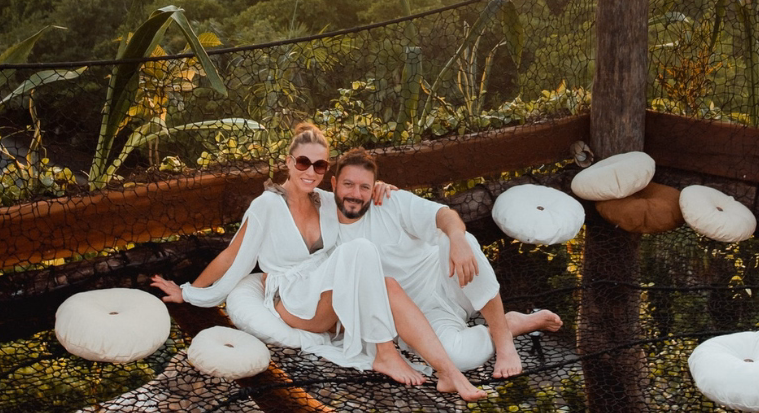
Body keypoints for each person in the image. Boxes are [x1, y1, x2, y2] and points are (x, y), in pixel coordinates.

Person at [151, 124, 485, 401]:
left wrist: (383, 189)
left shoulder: (326, 201)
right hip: (292, 300)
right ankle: (385, 354)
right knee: (362, 250)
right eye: (303, 163)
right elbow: (231, 254)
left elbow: (356, 195)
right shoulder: (266, 206)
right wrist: (189, 292)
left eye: (320, 165)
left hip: (324, 294)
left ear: (327, 171)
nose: (311, 172)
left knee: (388, 285)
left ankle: (449, 373)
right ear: (289, 161)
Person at [328, 147, 563, 378]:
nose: (355, 194)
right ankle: (511, 324)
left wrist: (458, 238)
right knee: (456, 359)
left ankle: (504, 343)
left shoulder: (390, 201)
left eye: (364, 186)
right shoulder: (324, 227)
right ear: (333, 184)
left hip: (452, 279)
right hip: (418, 316)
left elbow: (444, 215)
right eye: (348, 184)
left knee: (458, 240)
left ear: (373, 187)